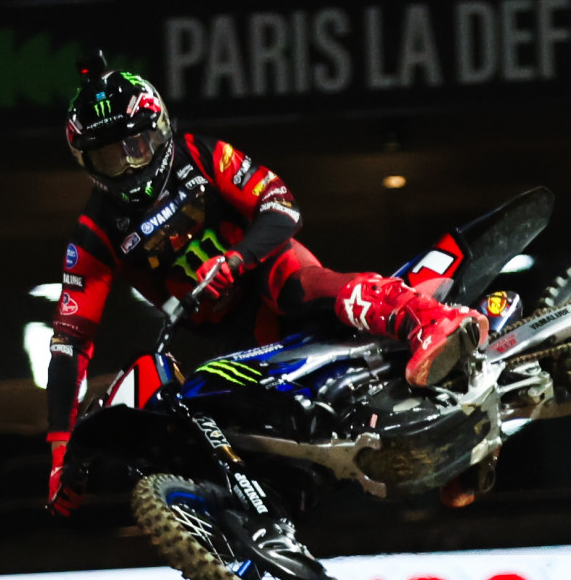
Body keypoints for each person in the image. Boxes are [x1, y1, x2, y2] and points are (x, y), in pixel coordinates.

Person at [45, 57, 486, 516]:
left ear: (158, 130)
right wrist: (60, 450)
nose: (129, 166)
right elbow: (69, 342)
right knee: (284, 438)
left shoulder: (202, 154)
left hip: (270, 270)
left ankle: (430, 320)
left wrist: (236, 259)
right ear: (87, 163)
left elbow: (282, 206)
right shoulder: (94, 233)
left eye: (136, 146)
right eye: (110, 157)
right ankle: (443, 455)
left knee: (296, 287)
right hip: (235, 335)